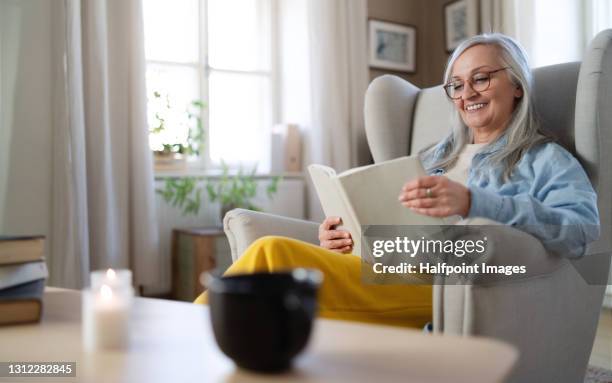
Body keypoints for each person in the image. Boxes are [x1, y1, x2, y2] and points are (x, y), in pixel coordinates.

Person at [195, 33, 600, 329]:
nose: (466, 94)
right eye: (457, 84)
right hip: (385, 265)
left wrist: (475, 203)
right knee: (272, 281)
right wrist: (341, 236)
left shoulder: (544, 158)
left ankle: (184, 341)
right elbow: (390, 220)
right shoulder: (433, 157)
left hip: (449, 285)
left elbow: (582, 230)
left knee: (272, 255)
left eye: (482, 78)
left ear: (516, 85)